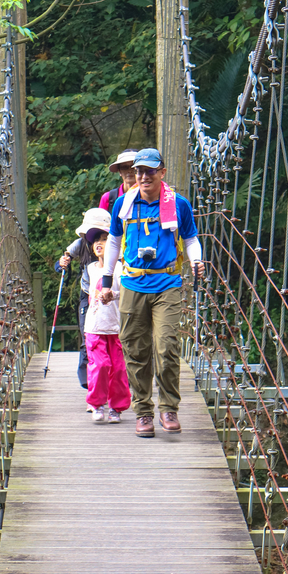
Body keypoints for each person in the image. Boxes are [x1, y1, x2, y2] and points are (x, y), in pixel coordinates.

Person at [99, 147, 204, 438]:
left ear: (162, 172)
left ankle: (168, 408)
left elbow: (191, 238)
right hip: (133, 283)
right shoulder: (123, 203)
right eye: (139, 171)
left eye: (150, 171)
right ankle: (143, 412)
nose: (143, 176)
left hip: (166, 282)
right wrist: (107, 281)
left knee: (166, 346)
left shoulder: (178, 204)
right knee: (135, 349)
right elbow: (114, 241)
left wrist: (196, 260)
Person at [81, 216, 130, 424]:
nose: (99, 243)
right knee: (100, 365)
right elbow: (89, 293)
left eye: (105, 239)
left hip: (116, 327)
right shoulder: (90, 269)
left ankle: (116, 408)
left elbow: (127, 293)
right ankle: (97, 404)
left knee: (118, 369)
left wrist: (113, 295)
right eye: (96, 240)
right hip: (94, 326)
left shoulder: (123, 268)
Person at [57, 209, 108, 389]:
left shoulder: (114, 243)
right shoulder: (81, 244)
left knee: (111, 334)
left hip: (110, 294)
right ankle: (88, 379)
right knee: (87, 332)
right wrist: (62, 263)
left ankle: (108, 374)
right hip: (88, 293)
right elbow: (65, 258)